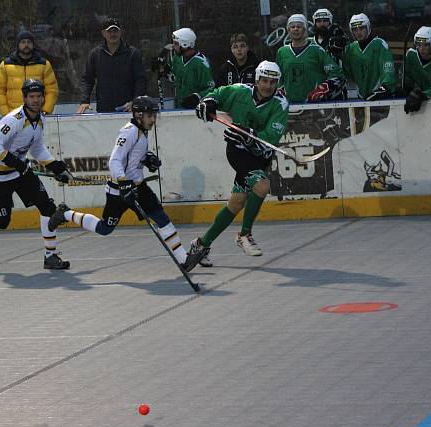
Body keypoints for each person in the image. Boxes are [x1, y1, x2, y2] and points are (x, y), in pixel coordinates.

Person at [48, 96, 203, 272]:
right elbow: (114, 161)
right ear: (138, 115)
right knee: (105, 228)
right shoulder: (129, 132)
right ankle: (65, 214)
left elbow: (132, 158)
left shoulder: (142, 130)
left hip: (138, 186)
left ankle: (184, 259)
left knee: (161, 218)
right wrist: (124, 184)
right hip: (119, 191)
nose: (153, 119)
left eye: (154, 115)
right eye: (149, 115)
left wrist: (147, 159)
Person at [0, 79, 74, 270]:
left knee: (47, 208)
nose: (35, 100)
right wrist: (16, 163)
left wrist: (56, 166)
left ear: (43, 97)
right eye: (31, 97)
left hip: (21, 172)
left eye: (38, 96)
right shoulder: (14, 120)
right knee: (2, 222)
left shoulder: (41, 119)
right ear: (24, 98)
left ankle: (50, 256)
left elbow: (37, 148)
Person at [187, 61, 289, 265]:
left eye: (273, 82)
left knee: (236, 203)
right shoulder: (239, 90)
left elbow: (270, 139)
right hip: (238, 151)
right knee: (262, 186)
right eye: (264, 80)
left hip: (260, 156)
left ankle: (201, 243)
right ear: (257, 79)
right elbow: (215, 93)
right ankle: (245, 235)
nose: (268, 86)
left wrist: (252, 135)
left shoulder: (281, 104)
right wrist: (208, 103)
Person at [77, 18, 147, 113]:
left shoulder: (133, 53)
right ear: (103, 33)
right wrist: (84, 101)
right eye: (109, 31)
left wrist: (136, 101)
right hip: (104, 109)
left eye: (115, 31)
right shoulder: (95, 54)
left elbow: (141, 80)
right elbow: (87, 79)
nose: (113, 34)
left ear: (120, 32)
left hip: (129, 109)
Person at [275, 14, 345, 103]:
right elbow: (278, 77)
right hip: (289, 106)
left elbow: (337, 75)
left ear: (304, 29)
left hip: (314, 107)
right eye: (292, 27)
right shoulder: (282, 52)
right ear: (288, 30)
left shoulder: (317, 50)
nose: (295, 29)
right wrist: (280, 89)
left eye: (299, 27)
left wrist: (322, 89)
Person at [0, 31, 58, 116]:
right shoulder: (6, 65)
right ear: (18, 45)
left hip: (38, 115)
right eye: (23, 42)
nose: (26, 45)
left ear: (33, 45)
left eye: (29, 42)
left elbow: (52, 90)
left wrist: (46, 110)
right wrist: (6, 114)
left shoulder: (44, 64)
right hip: (13, 115)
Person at [342, 13, 396, 101]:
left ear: (368, 28)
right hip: (360, 98)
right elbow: (345, 73)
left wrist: (385, 88)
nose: (358, 32)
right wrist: (338, 55)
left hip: (380, 99)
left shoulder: (379, 44)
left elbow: (387, 69)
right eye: (355, 29)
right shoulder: (351, 49)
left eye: (361, 28)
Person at [157, 27, 215, 109]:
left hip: (196, 110)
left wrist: (197, 97)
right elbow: (175, 79)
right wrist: (164, 70)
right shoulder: (177, 58)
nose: (173, 46)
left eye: (176, 44)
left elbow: (211, 89)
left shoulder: (201, 64)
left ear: (185, 44)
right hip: (179, 108)